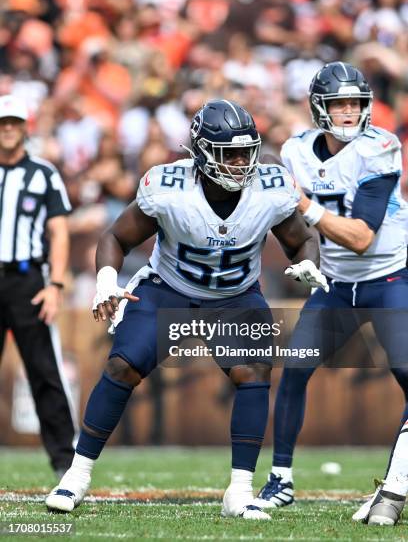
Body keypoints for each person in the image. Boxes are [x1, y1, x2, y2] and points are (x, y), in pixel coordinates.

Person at [45, 99, 326, 519]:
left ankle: (239, 490)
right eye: (228, 152)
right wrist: (107, 280)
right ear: (201, 153)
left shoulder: (269, 187)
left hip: (234, 298)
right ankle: (77, 474)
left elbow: (302, 239)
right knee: (123, 366)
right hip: (168, 289)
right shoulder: (168, 187)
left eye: (245, 151)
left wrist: (307, 262)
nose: (239, 161)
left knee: (254, 373)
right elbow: (115, 237)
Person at [255, 62, 408, 526]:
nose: (349, 111)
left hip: (389, 279)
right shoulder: (296, 150)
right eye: (340, 103)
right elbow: (287, 219)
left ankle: (395, 486)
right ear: (318, 107)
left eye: (356, 103)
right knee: (295, 370)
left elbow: (361, 236)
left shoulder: (381, 147)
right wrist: (297, 255)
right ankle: (280, 479)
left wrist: (305, 205)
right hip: (336, 286)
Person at [0, 94, 76, 477]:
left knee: (44, 370)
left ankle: (65, 462)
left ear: (25, 126)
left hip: (26, 278)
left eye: (14, 121)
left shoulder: (43, 173)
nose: (8, 128)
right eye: (2, 122)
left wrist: (56, 284)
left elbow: (58, 232)